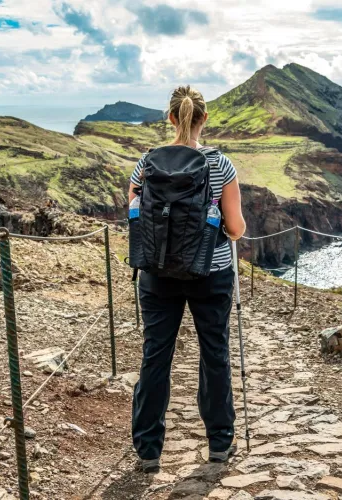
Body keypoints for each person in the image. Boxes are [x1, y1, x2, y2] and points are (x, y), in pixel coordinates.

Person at [128, 85, 246, 473]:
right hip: (209, 273)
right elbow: (236, 227)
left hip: (158, 274)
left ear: (171, 118)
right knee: (214, 353)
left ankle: (148, 450)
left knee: (155, 355)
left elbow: (134, 214)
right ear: (203, 118)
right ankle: (219, 443)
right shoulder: (221, 165)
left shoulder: (145, 164)